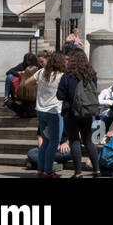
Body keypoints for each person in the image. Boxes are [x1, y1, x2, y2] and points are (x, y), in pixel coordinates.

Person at [57, 49, 101, 178]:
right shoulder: (92, 75)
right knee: (88, 141)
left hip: (71, 112)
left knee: (75, 141)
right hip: (87, 111)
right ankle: (97, 170)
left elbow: (60, 95)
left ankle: (78, 172)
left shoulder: (67, 76)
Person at [34, 50, 67, 178]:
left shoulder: (41, 72)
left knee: (45, 142)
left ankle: (40, 170)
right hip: (54, 112)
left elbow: (27, 82)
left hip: (40, 110)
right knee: (53, 142)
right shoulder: (61, 76)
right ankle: (48, 171)